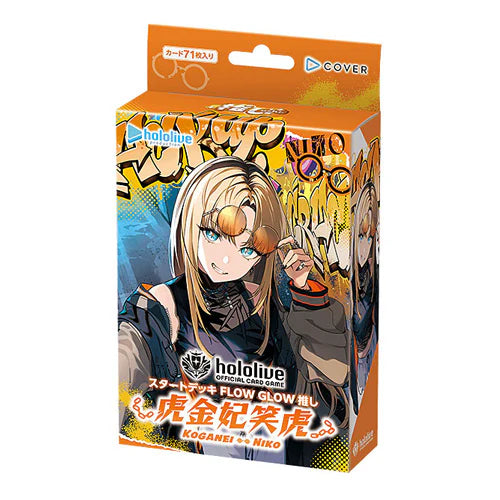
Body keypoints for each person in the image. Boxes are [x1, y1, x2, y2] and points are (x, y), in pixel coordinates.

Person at [119, 156, 349, 466]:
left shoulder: (266, 308)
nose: (226, 261)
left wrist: (306, 294)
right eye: (213, 234)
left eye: (247, 249)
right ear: (190, 223)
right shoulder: (160, 307)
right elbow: (124, 365)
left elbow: (329, 397)